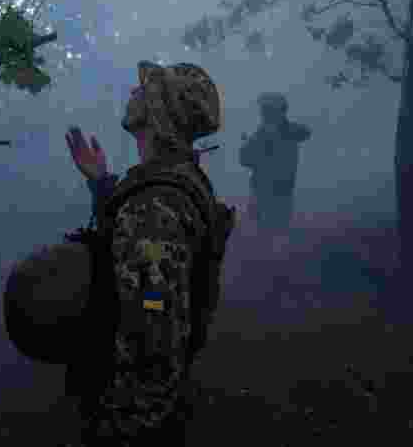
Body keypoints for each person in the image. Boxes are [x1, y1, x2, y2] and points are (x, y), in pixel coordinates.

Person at [62, 61, 233, 446]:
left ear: (157, 110)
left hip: (135, 418)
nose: (134, 92)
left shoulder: (155, 204)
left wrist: (125, 425)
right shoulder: (173, 184)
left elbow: (153, 320)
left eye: (147, 89)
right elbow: (149, 266)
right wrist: (103, 186)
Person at [238, 92, 311, 230]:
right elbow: (244, 159)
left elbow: (306, 132)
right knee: (258, 230)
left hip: (280, 191)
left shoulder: (288, 130)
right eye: (263, 110)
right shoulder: (260, 134)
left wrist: (280, 132)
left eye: (266, 109)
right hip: (261, 190)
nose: (263, 113)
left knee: (276, 230)